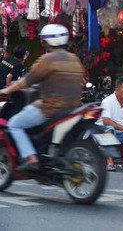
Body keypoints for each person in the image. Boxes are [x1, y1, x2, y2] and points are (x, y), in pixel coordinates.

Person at [0, 24, 84, 173]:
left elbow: (26, 81)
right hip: (73, 107)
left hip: (50, 107)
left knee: (14, 124)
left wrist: (7, 89)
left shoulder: (48, 59)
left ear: (46, 41)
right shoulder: (74, 59)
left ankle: (31, 158)